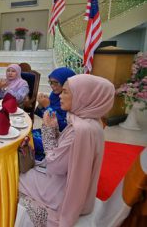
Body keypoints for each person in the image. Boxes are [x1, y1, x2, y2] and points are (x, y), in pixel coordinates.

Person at [18, 74, 115, 227]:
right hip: (78, 189)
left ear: (83, 96)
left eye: (65, 92)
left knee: (14, 176)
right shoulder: (91, 121)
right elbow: (69, 153)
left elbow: (54, 166)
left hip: (62, 191)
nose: (60, 96)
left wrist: (49, 131)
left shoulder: (79, 130)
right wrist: (56, 129)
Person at [32, 67, 76, 160]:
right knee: (26, 135)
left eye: (56, 82)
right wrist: (41, 105)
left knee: (29, 141)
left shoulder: (73, 100)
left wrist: (48, 106)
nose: (52, 86)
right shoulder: (54, 94)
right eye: (50, 82)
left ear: (66, 83)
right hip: (49, 131)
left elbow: (64, 127)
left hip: (60, 138)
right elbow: (45, 116)